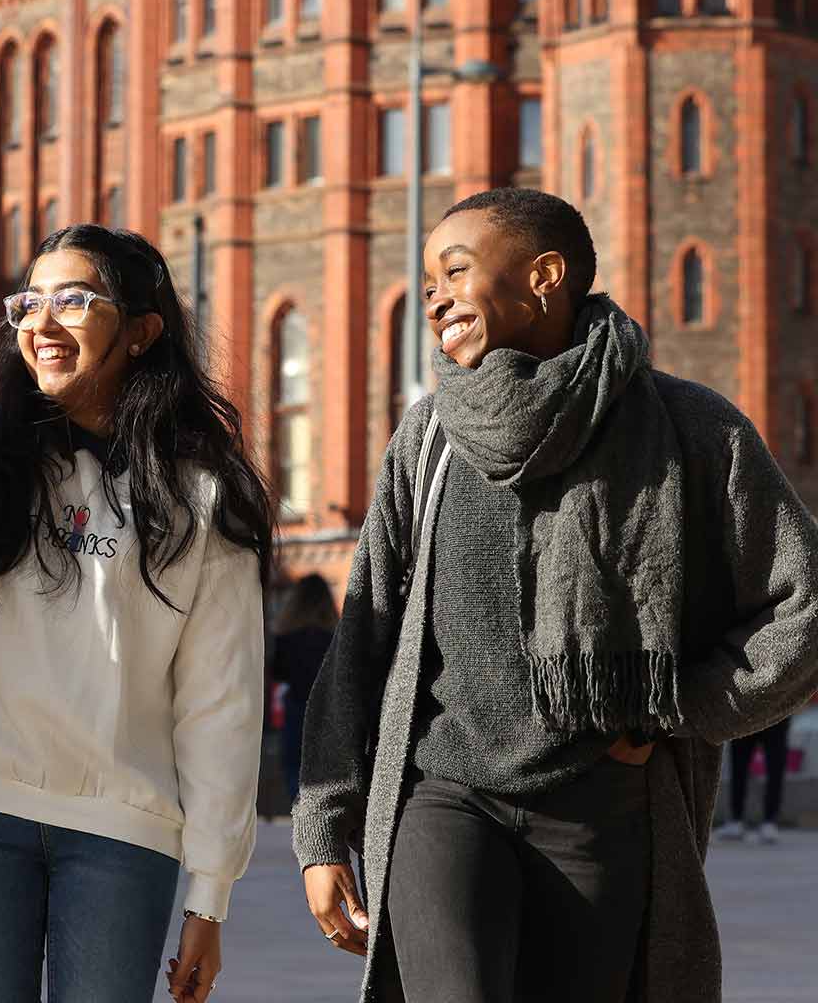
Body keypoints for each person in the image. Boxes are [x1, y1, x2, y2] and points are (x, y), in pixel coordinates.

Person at [294, 187, 818, 1003]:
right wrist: (324, 827)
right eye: (427, 280)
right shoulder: (428, 438)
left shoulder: (691, 430)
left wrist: (679, 702)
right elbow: (363, 639)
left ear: (544, 276)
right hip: (447, 796)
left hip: (605, 816)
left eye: (455, 271)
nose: (433, 296)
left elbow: (803, 606)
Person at [0, 225, 273, 1003]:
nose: (41, 324)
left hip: (124, 823)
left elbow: (222, 703)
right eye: (29, 302)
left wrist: (209, 897)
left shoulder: (203, 493)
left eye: (75, 301)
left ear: (143, 332)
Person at [270, 575, 336, 804]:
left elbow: (278, 673)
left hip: (296, 704)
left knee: (292, 765)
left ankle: (298, 809)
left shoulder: (286, 637)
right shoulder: (334, 637)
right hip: (327, 708)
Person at [718, 714, 794, 844]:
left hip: (777, 712)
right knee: (738, 766)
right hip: (745, 713)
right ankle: (736, 819)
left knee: (775, 767)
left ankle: (770, 821)